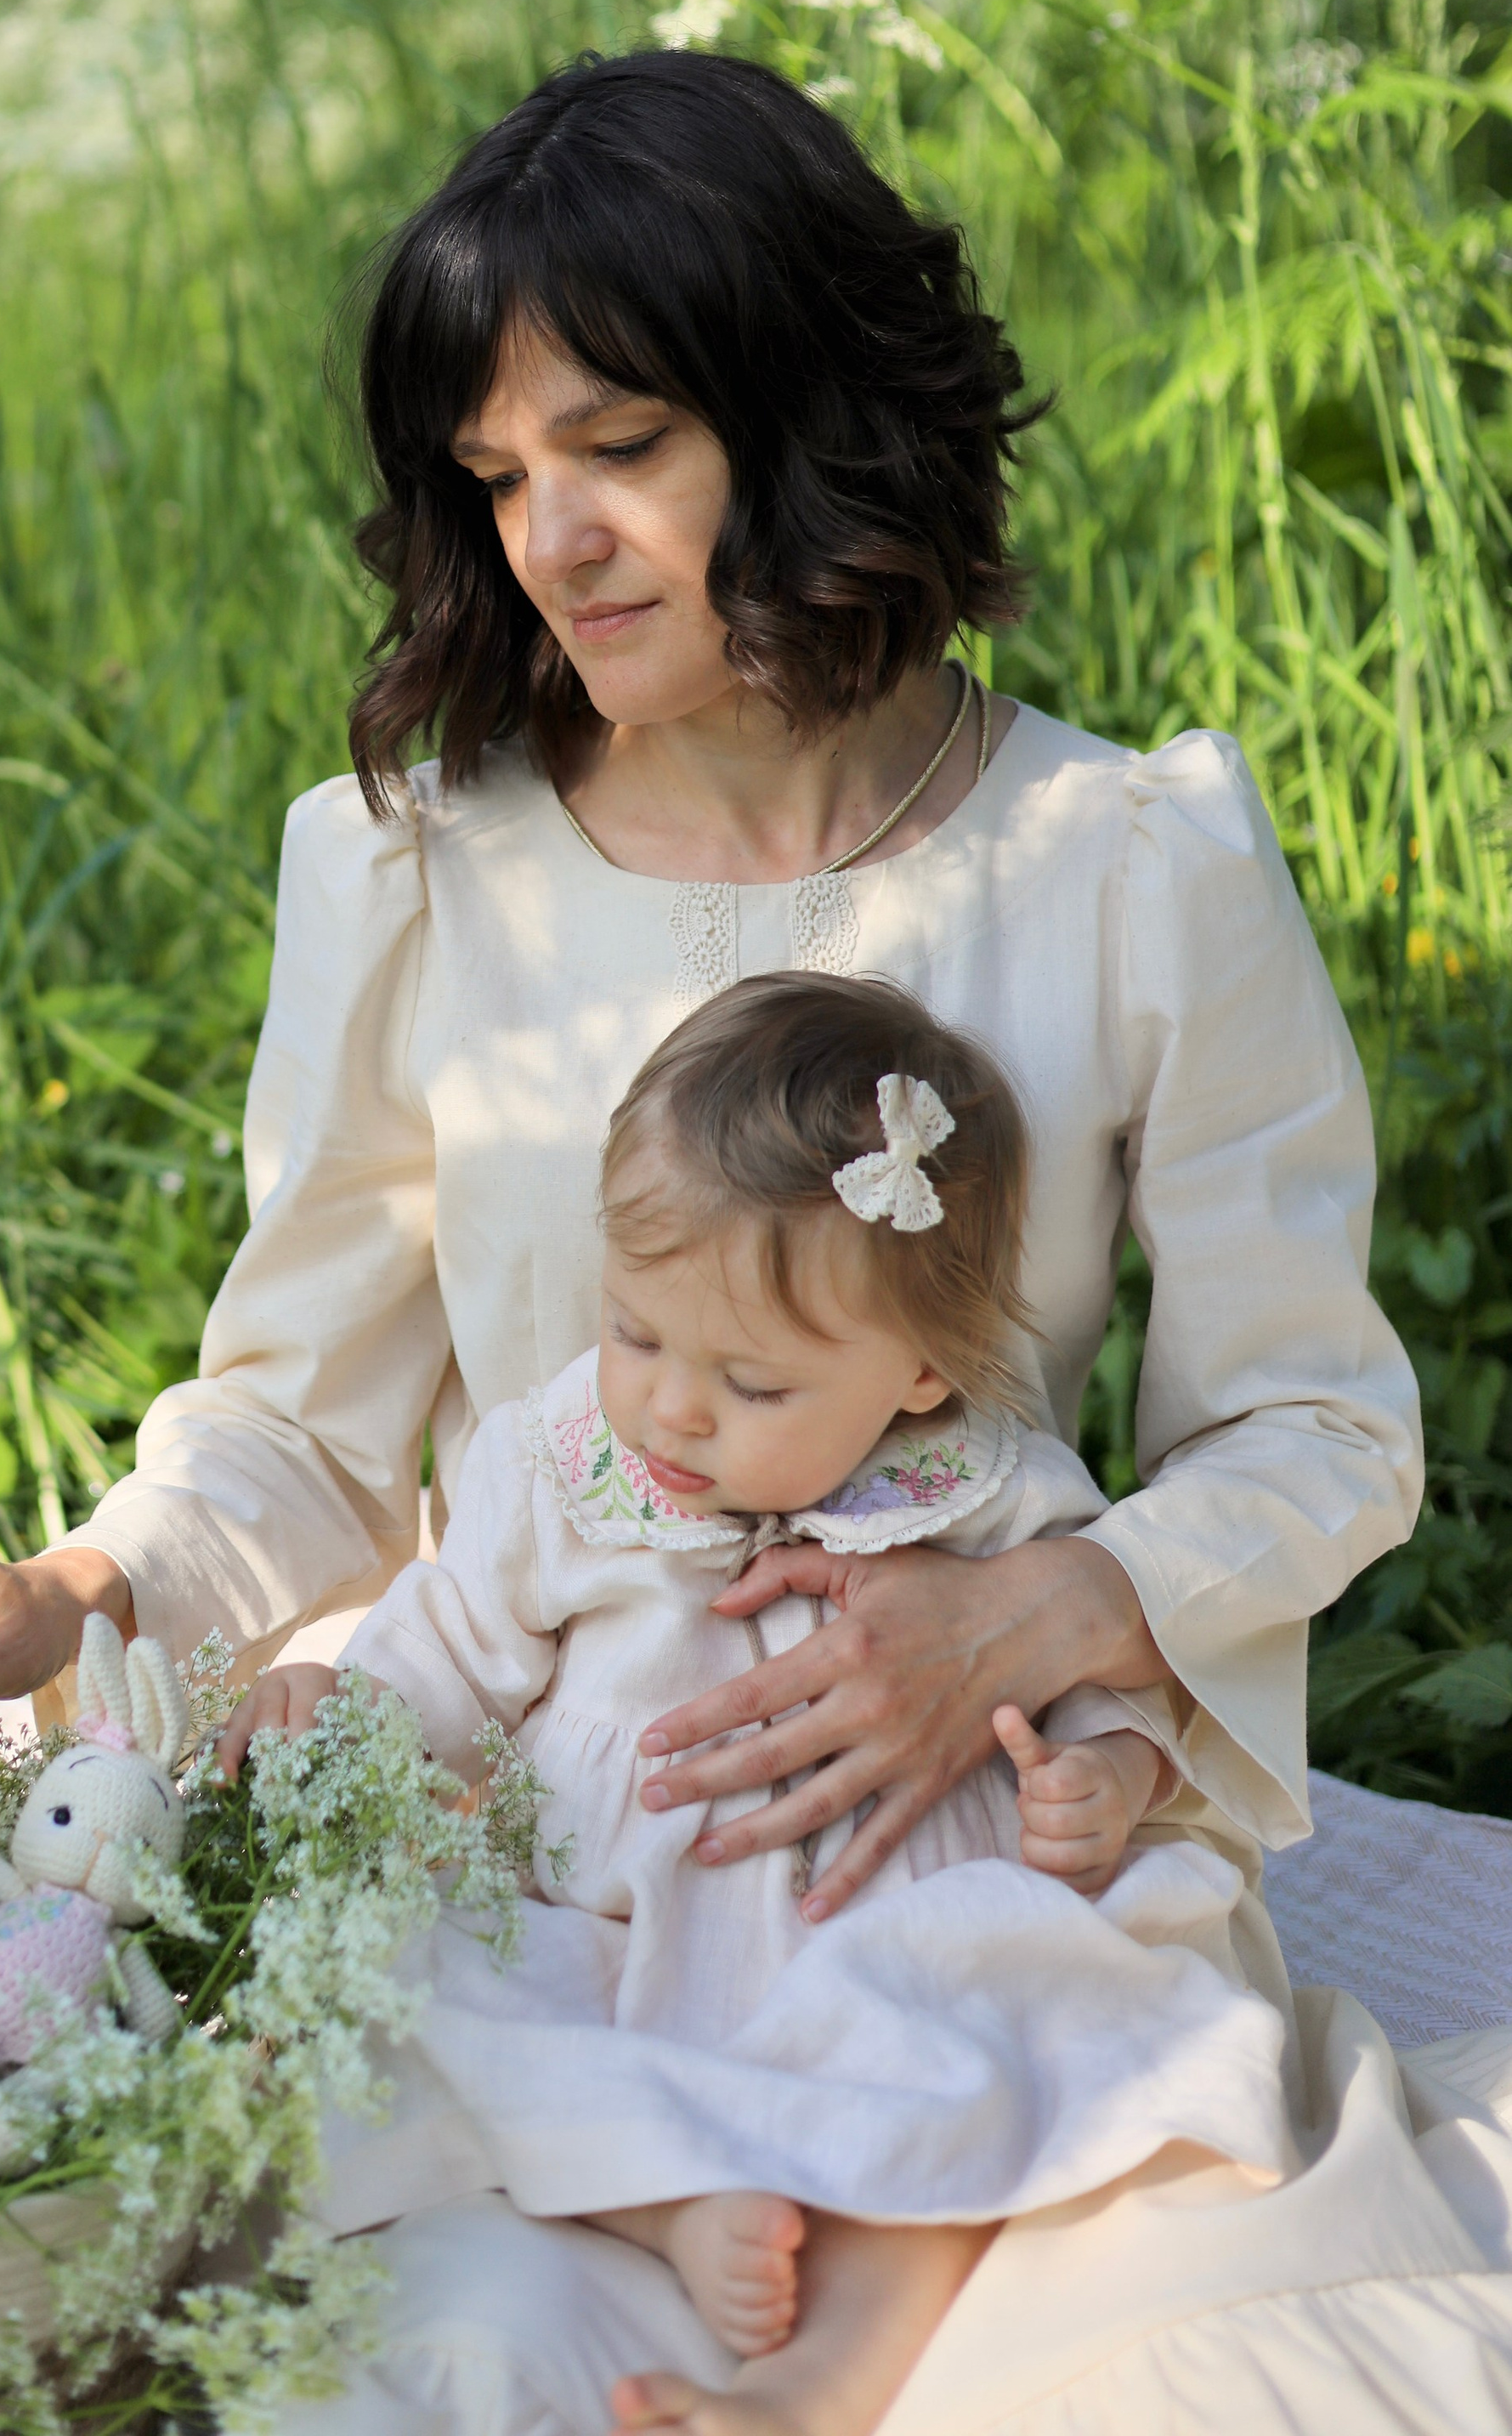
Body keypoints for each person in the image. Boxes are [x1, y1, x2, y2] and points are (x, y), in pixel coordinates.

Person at [0, 55, 1512, 2432]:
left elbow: (1310, 1423)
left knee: (1157, 2367)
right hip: (560, 1856)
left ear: (814, 409)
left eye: (622, 444)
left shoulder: (1132, 864)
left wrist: (1036, 1618)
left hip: (970, 1852)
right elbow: (304, 1421)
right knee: (426, 2360)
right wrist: (82, 1601)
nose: (551, 537)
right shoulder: (412, 871)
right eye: (496, 477)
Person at [218, 970, 1291, 2436]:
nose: (672, 1408)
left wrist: (1104, 1776)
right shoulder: (562, 1467)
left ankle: (821, 2380)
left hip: (889, 1931)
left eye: (755, 1384)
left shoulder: (983, 1488)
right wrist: (344, 1714)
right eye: (637, 1332)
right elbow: (450, 1644)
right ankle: (667, 2199)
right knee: (426, 1996)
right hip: (628, 1930)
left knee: (994, 2062)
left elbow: (1087, 1658)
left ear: (918, 1375)